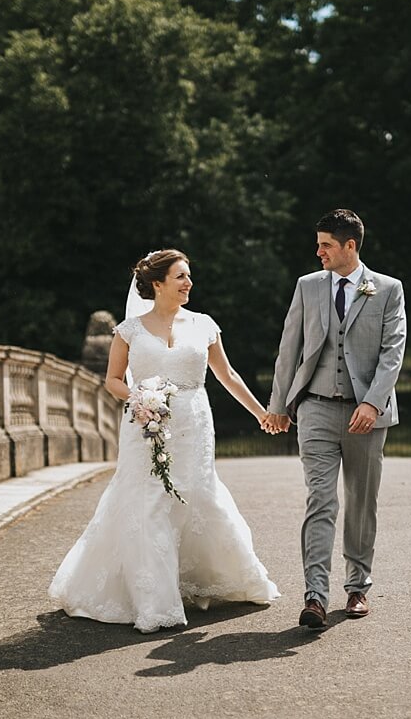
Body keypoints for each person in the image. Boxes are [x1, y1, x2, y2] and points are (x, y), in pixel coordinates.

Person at [49, 249, 279, 633]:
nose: (189, 283)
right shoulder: (130, 330)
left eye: (189, 276)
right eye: (181, 277)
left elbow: (228, 375)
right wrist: (138, 398)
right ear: (157, 284)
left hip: (195, 424)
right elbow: (113, 379)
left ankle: (209, 578)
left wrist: (262, 414)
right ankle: (154, 599)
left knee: (198, 495)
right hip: (146, 425)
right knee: (150, 501)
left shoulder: (204, 324)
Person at [263, 209, 407, 629]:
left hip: (366, 414)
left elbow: (392, 352)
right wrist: (277, 404)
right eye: (318, 243)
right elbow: (289, 347)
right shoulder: (307, 286)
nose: (318, 250)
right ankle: (315, 596)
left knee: (362, 503)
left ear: (350, 246)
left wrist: (373, 402)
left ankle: (358, 586)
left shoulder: (387, 289)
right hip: (316, 408)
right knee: (320, 500)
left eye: (326, 244)